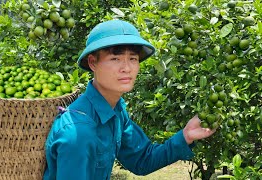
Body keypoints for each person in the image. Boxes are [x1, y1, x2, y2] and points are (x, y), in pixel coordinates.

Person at [43, 19, 215, 180]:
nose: (126, 68)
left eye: (133, 59)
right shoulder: (79, 132)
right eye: (115, 58)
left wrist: (185, 136)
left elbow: (142, 159)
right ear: (93, 63)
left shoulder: (115, 110)